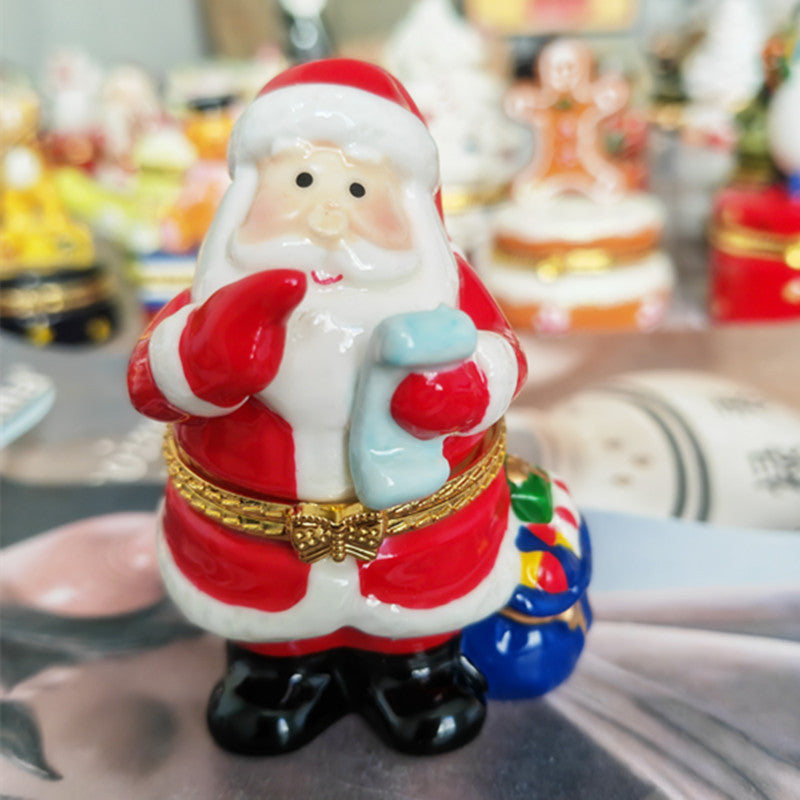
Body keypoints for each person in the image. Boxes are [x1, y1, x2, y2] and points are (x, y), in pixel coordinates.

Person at [128, 58, 527, 755]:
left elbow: (503, 354)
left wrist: (461, 389)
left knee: (417, 617)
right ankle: (279, 673)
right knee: (270, 625)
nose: (328, 209)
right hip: (257, 541)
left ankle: (416, 670)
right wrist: (204, 360)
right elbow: (150, 382)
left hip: (415, 540)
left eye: (356, 187)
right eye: (303, 181)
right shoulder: (215, 291)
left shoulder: (439, 282)